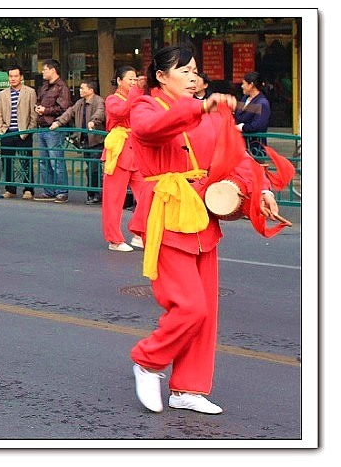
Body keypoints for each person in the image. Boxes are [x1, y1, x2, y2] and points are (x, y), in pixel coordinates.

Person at [128, 44, 277, 415]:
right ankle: (147, 360)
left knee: (206, 310)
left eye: (195, 70)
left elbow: (238, 157)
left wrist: (261, 190)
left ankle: (188, 388)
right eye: (184, 70)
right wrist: (198, 107)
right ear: (161, 77)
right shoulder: (145, 107)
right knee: (189, 307)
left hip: (203, 213)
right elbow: (151, 130)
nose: (193, 77)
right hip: (167, 213)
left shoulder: (212, 113)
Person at [100, 66, 145, 252]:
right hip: (119, 151)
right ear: (119, 81)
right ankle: (114, 239)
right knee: (114, 199)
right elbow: (122, 112)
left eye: (135, 79)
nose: (133, 83)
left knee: (146, 196)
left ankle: (139, 233)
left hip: (137, 151)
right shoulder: (112, 99)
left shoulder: (137, 97)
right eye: (130, 79)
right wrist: (137, 91)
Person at [49, 80, 106, 204]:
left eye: (82, 88)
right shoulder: (80, 103)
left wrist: (93, 121)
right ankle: (93, 193)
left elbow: (100, 112)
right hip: (85, 140)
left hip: (96, 140)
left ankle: (95, 194)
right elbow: (69, 113)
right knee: (90, 168)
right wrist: (58, 122)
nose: (80, 90)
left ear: (90, 90)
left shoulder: (98, 101)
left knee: (94, 168)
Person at [0, 64, 38, 200]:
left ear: (21, 77)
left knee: (26, 161)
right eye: (11, 76)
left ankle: (28, 189)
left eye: (15, 76)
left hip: (24, 132)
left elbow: (33, 113)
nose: (13, 79)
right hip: (7, 132)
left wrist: (30, 129)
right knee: (7, 162)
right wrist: (1, 129)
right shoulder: (2, 94)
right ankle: (10, 188)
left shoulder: (30, 92)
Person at [33, 59, 72, 203]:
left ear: (52, 70)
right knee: (44, 161)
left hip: (54, 127)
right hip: (42, 126)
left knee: (56, 160)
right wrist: (38, 107)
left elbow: (65, 108)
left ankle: (62, 191)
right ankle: (48, 190)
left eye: (45, 69)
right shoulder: (44, 87)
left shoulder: (62, 87)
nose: (43, 72)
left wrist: (46, 110)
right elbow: (38, 100)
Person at [235, 71, 271, 156]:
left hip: (255, 148)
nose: (242, 86)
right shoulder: (245, 98)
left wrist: (242, 127)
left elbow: (258, 125)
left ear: (251, 85)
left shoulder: (262, 102)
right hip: (240, 145)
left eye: (243, 84)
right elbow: (239, 115)